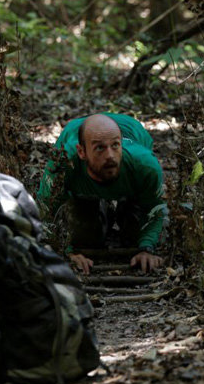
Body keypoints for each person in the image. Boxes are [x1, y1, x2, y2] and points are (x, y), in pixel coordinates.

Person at [38, 113, 168, 274]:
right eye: (100, 148)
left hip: (131, 135)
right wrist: (67, 252)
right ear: (81, 152)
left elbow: (154, 209)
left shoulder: (144, 165)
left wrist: (147, 249)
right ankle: (99, 210)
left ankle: (123, 208)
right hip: (82, 182)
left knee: (133, 237)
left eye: (115, 146)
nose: (110, 156)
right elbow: (47, 210)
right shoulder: (64, 162)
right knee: (86, 239)